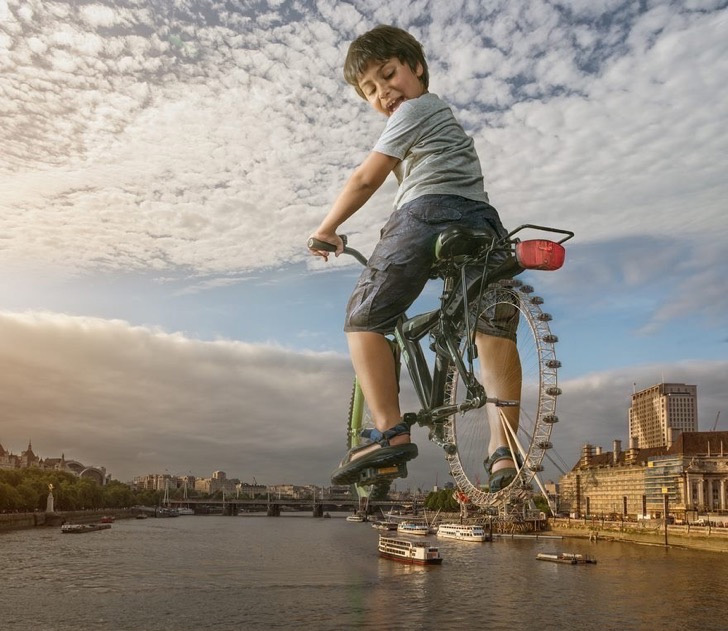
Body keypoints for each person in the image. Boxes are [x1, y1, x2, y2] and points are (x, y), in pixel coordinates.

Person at [308, 25, 522, 491]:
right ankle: (502, 452)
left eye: (389, 74)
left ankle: (387, 429)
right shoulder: (441, 120)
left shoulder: (416, 109)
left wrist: (327, 229)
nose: (384, 92)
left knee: (364, 319)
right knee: (493, 329)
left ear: (417, 68)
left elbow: (366, 178)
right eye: (370, 89)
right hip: (483, 222)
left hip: (424, 213)